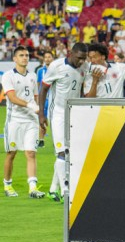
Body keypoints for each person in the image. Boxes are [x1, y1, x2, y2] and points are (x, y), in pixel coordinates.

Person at [38, 43, 89, 202]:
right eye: (79, 58)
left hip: (74, 113)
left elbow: (79, 89)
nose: (81, 61)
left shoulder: (84, 67)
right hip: (58, 114)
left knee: (69, 153)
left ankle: (53, 189)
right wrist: (41, 114)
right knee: (62, 152)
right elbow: (44, 88)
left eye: (84, 58)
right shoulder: (56, 66)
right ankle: (66, 191)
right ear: (71, 53)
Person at [3, 46, 44, 198]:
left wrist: (39, 115)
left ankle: (32, 188)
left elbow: (35, 97)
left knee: (31, 153)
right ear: (14, 58)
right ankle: (8, 185)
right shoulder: (8, 76)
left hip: (31, 121)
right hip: (14, 120)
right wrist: (30, 105)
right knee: (11, 153)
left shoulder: (32, 76)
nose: (25, 58)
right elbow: (12, 98)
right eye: (21, 55)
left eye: (27, 55)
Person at [36, 51, 54, 148]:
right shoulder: (40, 71)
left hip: (53, 100)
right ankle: (41, 140)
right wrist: (37, 100)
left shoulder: (56, 70)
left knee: (54, 121)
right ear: (43, 59)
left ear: (52, 58)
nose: (47, 59)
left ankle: (56, 140)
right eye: (45, 57)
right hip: (44, 100)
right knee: (41, 120)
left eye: (49, 57)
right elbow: (38, 85)